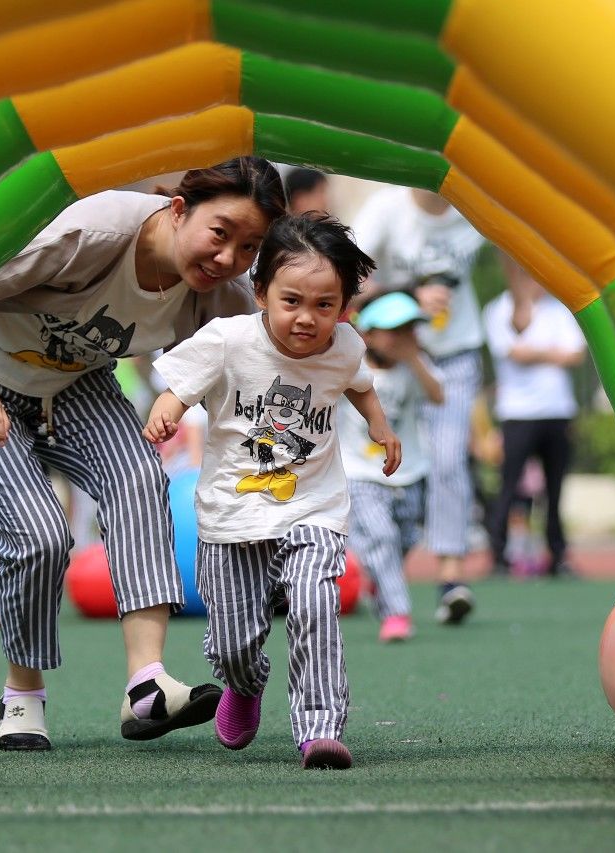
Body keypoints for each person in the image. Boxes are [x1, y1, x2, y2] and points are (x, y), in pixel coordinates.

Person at [0, 157, 287, 751]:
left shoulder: (220, 296)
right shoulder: (93, 233)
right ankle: (22, 696)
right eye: (221, 233)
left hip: (72, 382)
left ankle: (146, 684)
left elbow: (276, 353)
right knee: (40, 535)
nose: (228, 258)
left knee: (138, 475)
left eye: (249, 247)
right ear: (178, 209)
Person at [145, 213, 401, 769]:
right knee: (233, 643)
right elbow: (179, 385)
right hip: (232, 511)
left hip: (313, 504)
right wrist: (165, 413)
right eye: (292, 302)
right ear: (261, 293)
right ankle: (246, 682)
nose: (307, 319)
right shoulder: (228, 340)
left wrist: (380, 426)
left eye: (325, 306)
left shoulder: (344, 346)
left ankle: (319, 727)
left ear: (343, 307)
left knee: (314, 602)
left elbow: (359, 384)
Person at [353, 186, 486, 625]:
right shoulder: (387, 207)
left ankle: (450, 578)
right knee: (398, 470)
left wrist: (522, 300)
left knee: (448, 460)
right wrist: (410, 294)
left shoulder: (475, 205)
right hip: (396, 352)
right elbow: (351, 268)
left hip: (456, 351)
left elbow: (516, 248)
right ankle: (384, 568)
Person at [342, 292, 444, 642]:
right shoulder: (351, 368)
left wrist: (415, 360)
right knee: (381, 538)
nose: (403, 338)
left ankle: (383, 584)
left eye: (410, 330)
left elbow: (438, 395)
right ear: (367, 334)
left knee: (404, 538)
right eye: (393, 331)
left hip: (411, 473)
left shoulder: (413, 368)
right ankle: (397, 613)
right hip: (362, 474)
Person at [483, 254, 587, 578]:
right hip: (518, 413)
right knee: (509, 485)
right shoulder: (498, 309)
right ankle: (498, 554)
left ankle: (557, 554)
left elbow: (575, 355)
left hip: (557, 411)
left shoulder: (559, 310)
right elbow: (513, 352)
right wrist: (550, 353)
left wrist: (537, 354)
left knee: (555, 489)